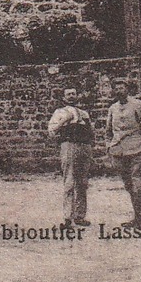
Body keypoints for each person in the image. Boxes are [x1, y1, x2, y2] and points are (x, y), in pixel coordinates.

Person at [106, 78, 141, 229]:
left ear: (127, 89)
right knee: (129, 186)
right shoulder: (112, 108)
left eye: (122, 88)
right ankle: (136, 218)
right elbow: (108, 131)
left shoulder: (137, 105)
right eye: (116, 89)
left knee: (139, 185)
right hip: (119, 152)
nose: (119, 91)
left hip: (137, 150)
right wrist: (109, 147)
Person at [47, 86, 94, 226]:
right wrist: (64, 121)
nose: (72, 96)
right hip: (69, 145)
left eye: (74, 93)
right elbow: (51, 131)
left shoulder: (84, 113)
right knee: (69, 181)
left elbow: (91, 131)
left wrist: (90, 147)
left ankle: (80, 216)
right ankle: (68, 216)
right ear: (64, 98)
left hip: (84, 147)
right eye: (69, 94)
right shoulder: (59, 112)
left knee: (83, 182)